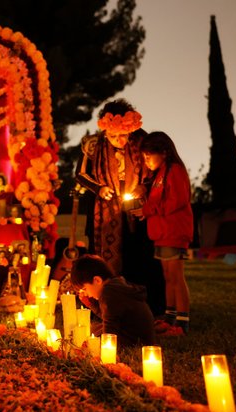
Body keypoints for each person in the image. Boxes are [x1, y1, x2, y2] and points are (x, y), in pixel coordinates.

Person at [75, 99, 165, 317]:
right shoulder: (92, 144)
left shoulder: (142, 140)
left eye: (123, 136)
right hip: (105, 210)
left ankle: (149, 306)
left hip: (136, 208)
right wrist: (100, 188)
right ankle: (109, 305)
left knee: (141, 255)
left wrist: (143, 188)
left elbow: (156, 170)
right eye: (114, 136)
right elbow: (80, 174)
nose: (119, 141)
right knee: (107, 259)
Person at [130, 131, 193, 336]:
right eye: (144, 157)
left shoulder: (174, 170)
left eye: (149, 156)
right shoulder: (159, 175)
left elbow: (177, 201)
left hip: (174, 231)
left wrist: (148, 210)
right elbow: (158, 202)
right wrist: (144, 206)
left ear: (164, 152)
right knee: (167, 277)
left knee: (176, 276)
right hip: (162, 232)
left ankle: (182, 324)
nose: (146, 161)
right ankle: (170, 317)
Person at [71, 254, 156, 347]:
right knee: (95, 328)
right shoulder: (115, 285)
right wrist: (91, 304)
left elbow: (110, 327)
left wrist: (105, 348)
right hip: (137, 336)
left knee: (94, 334)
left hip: (133, 341)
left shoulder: (108, 293)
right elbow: (109, 315)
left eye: (84, 289)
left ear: (97, 280)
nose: (86, 294)